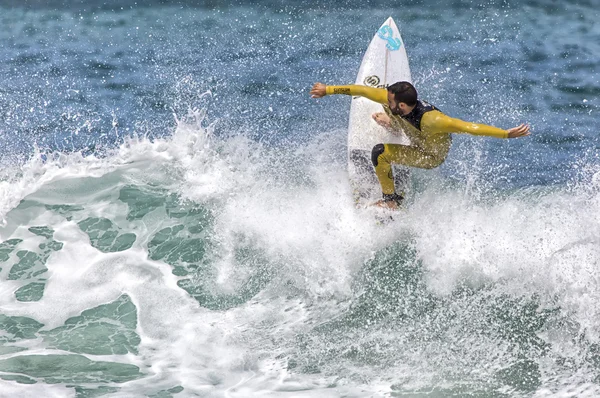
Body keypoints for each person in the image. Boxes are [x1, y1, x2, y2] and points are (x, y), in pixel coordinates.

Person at [309, 81, 530, 209]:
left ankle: (391, 200)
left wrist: (504, 134)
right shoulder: (396, 102)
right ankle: (394, 124)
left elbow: (468, 127)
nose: (387, 99)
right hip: (414, 135)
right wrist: (328, 90)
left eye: (391, 100)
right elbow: (363, 90)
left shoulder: (433, 120)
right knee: (387, 112)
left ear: (403, 103)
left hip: (429, 155)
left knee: (380, 153)